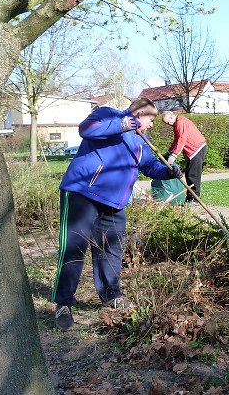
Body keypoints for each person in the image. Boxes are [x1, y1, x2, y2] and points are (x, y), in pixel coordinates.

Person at [51, 98, 182, 330]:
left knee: (111, 251)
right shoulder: (108, 114)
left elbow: (149, 166)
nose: (152, 125)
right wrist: (124, 124)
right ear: (140, 114)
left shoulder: (143, 141)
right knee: (73, 248)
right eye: (150, 120)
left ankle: (112, 296)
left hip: (115, 203)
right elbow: (87, 129)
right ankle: (63, 304)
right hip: (83, 192)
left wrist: (168, 172)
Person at [161, 111, 207, 203]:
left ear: (172, 116)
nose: (168, 124)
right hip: (193, 150)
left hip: (196, 148)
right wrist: (168, 153)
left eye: (168, 121)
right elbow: (176, 140)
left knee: (193, 175)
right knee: (189, 174)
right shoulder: (176, 124)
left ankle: (194, 199)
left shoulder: (180, 122)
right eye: (166, 123)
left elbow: (182, 140)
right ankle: (190, 198)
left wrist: (174, 155)